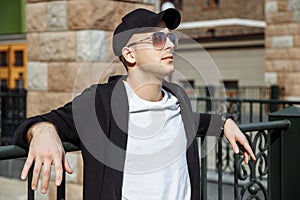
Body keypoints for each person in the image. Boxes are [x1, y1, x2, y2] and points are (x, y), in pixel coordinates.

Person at [13, 8, 256, 200]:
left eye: (171, 38)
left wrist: (225, 122)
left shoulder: (177, 97)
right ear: (130, 55)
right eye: (158, 39)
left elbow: (195, 121)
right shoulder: (102, 102)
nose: (171, 45)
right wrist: (43, 131)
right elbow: (40, 122)